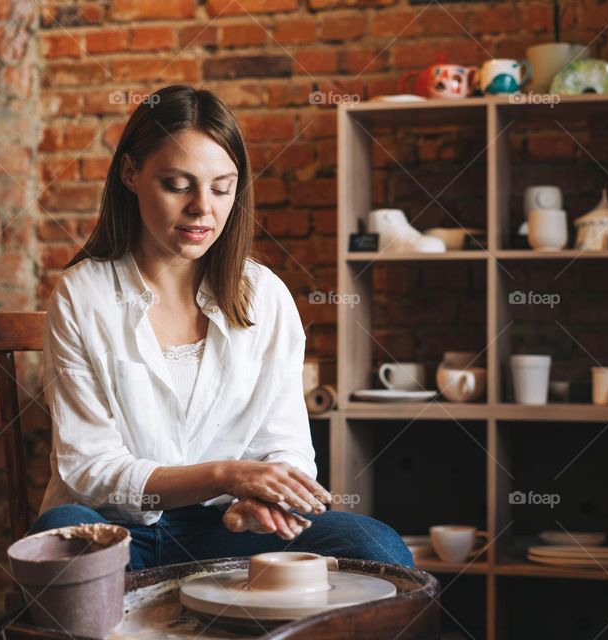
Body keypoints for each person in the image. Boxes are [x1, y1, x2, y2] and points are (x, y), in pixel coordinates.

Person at [29, 84, 412, 571]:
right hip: (120, 533)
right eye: (177, 184)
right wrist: (226, 476)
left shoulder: (266, 295)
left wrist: (262, 505)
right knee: (59, 535)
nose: (202, 209)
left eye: (221, 187)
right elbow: (89, 468)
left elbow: (286, 444)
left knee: (377, 549)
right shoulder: (84, 295)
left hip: (226, 531)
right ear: (130, 173)